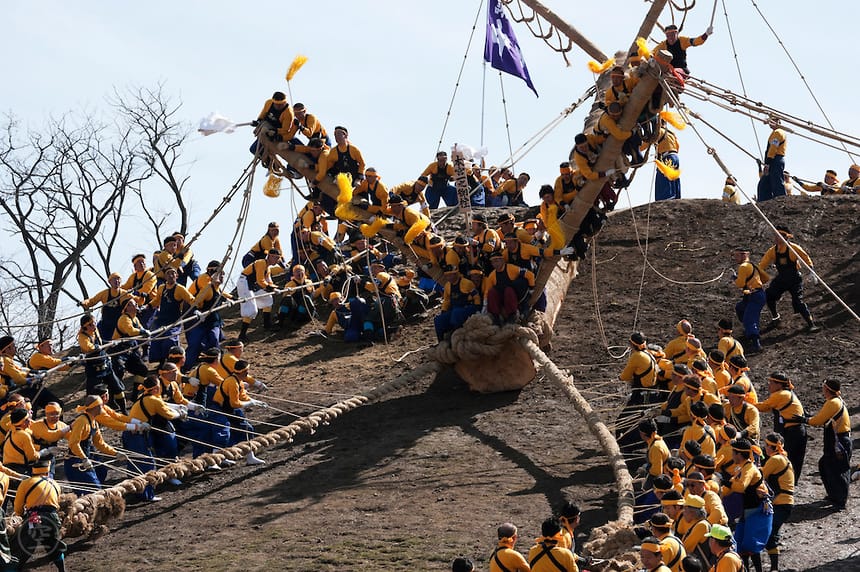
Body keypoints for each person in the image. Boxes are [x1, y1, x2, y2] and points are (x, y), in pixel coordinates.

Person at [758, 225, 820, 332]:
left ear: (785, 237)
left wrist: (811, 270)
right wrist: (754, 275)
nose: (776, 238)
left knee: (798, 302)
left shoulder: (794, 249)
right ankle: (775, 318)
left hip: (794, 279)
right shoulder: (772, 251)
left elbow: (806, 258)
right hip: (781, 278)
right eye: (775, 235)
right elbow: (762, 265)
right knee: (769, 295)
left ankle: (811, 324)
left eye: (779, 236)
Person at [12, 459, 67, 572]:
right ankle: (62, 570)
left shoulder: (26, 483)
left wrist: (19, 516)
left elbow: (18, 506)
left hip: (34, 518)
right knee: (53, 545)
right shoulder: (55, 484)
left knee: (22, 548)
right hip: (52, 518)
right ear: (47, 470)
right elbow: (56, 503)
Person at [210, 360, 267, 466]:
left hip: (229, 408)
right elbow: (235, 403)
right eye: (247, 371)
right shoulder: (232, 382)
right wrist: (250, 403)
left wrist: (255, 401)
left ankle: (250, 457)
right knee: (222, 433)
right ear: (243, 372)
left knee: (247, 428)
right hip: (220, 409)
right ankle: (215, 461)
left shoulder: (238, 380)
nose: (248, 372)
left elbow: (242, 396)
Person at [806, 379, 851, 510]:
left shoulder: (832, 403)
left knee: (838, 470)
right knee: (826, 465)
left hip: (838, 441)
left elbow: (818, 420)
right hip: (838, 440)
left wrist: (805, 420)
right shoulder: (835, 401)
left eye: (824, 388)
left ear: (827, 389)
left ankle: (840, 501)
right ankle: (834, 495)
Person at [65, 396, 124, 495]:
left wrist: (116, 453)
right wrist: (84, 458)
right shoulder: (82, 421)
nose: (103, 407)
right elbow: (73, 443)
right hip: (75, 462)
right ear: (95, 407)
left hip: (85, 459)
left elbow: (100, 443)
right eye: (101, 405)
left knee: (102, 471)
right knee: (94, 490)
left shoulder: (94, 422)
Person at [753, 372, 806, 481]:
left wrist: (745, 403)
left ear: (779, 385)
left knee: (787, 458)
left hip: (792, 432)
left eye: (771, 383)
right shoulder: (787, 393)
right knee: (793, 460)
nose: (769, 385)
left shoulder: (780, 395)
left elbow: (764, 407)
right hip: (796, 431)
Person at [77, 314, 127, 413]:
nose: (94, 325)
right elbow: (87, 346)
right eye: (91, 324)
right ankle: (94, 413)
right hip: (94, 369)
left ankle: (124, 410)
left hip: (105, 366)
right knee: (93, 393)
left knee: (117, 387)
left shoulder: (95, 331)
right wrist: (95, 347)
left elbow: (100, 342)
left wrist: (110, 343)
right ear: (85, 326)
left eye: (94, 323)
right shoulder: (82, 337)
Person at [186, 260, 231, 369]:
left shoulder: (217, 288)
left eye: (223, 274)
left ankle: (217, 364)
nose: (222, 277)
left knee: (214, 339)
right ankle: (187, 365)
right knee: (195, 342)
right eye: (219, 274)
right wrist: (196, 310)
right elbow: (197, 301)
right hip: (198, 316)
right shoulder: (206, 285)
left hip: (213, 320)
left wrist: (230, 299)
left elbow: (221, 294)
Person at [237, 248, 287, 342]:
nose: (277, 260)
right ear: (270, 256)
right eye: (276, 258)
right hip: (244, 283)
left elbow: (268, 281)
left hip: (252, 285)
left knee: (267, 299)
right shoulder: (261, 263)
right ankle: (242, 335)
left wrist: (277, 288)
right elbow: (260, 280)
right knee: (252, 309)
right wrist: (272, 288)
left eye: (278, 258)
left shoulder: (267, 268)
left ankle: (267, 325)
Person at [760, 433, 794, 572]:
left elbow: (760, 475)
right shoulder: (782, 458)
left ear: (771, 447)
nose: (764, 448)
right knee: (771, 534)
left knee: (770, 534)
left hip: (781, 504)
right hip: (783, 503)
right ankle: (774, 567)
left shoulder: (775, 460)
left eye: (766, 445)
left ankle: (774, 568)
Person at [148, 266, 195, 364]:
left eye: (173, 273)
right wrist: (148, 306)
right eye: (168, 274)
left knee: (170, 340)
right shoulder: (161, 288)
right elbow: (157, 300)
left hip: (174, 321)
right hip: (161, 319)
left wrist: (197, 308)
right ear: (165, 277)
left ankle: (173, 360)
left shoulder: (180, 289)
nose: (170, 275)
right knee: (156, 340)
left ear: (176, 275)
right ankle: (162, 362)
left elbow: (191, 300)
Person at [731, 247, 769, 353]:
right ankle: (750, 331)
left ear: (743, 255)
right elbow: (766, 277)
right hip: (755, 294)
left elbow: (740, 284)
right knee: (740, 308)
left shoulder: (743, 267)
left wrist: (734, 279)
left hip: (754, 296)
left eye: (737, 255)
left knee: (749, 319)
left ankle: (756, 344)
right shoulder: (753, 265)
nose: (735, 258)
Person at [79, 272, 133, 342]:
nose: (116, 281)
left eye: (118, 279)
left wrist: (141, 296)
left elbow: (136, 301)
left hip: (118, 324)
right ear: (110, 282)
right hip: (105, 323)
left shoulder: (124, 294)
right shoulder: (104, 293)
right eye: (114, 279)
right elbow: (92, 301)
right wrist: (84, 303)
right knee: (98, 337)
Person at [483, 252, 535, 325]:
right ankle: (495, 317)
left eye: (497, 261)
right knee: (492, 292)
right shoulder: (492, 275)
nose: (495, 264)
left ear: (502, 260)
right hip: (502, 299)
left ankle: (512, 316)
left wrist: (531, 290)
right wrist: (485, 305)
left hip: (514, 297)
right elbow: (487, 291)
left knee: (508, 290)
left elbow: (530, 275)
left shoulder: (512, 268)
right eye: (493, 262)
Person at [434, 265, 481, 341]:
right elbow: (446, 300)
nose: (449, 277)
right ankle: (441, 341)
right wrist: (443, 311)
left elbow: (476, 297)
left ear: (456, 274)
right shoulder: (447, 286)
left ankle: (457, 337)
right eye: (447, 276)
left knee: (456, 313)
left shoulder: (467, 283)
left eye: (451, 275)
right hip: (455, 309)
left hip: (467, 307)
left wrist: (477, 308)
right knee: (438, 320)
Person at [25, 338, 69, 412]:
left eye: (51, 345)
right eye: (49, 345)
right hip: (29, 390)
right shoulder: (37, 356)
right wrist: (67, 359)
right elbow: (53, 363)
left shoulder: (46, 357)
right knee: (31, 413)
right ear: (41, 347)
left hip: (38, 388)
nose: (51, 347)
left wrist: (72, 364)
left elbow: (58, 367)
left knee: (57, 405)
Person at [756, 119, 787, 202]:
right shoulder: (774, 133)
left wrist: (768, 162)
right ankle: (764, 201)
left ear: (778, 122)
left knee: (777, 182)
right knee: (764, 183)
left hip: (775, 159)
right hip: (773, 159)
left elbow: (773, 148)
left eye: (773, 121)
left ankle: (782, 200)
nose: (770, 123)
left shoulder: (778, 132)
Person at [654, 123, 681, 201]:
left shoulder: (658, 132)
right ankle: (676, 197)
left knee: (663, 179)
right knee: (674, 178)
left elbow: (644, 146)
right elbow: (677, 146)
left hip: (666, 157)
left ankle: (665, 199)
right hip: (675, 156)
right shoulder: (671, 133)